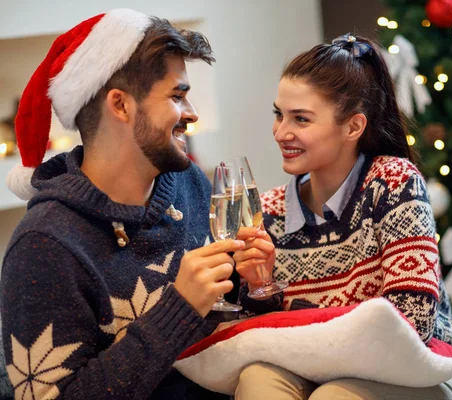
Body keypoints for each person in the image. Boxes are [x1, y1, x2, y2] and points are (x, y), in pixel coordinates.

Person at [0, 9, 261, 399]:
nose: (191, 114)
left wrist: (255, 286)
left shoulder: (186, 181)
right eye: (177, 95)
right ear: (120, 105)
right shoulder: (44, 246)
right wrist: (179, 308)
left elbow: (229, 321)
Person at [233, 34, 452, 400]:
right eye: (279, 114)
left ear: (353, 127)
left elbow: (412, 325)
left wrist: (298, 316)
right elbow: (257, 338)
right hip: (327, 372)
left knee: (336, 396)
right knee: (257, 377)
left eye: (301, 119)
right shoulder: (271, 212)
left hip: (435, 375)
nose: (281, 132)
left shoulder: (394, 183)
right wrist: (260, 290)